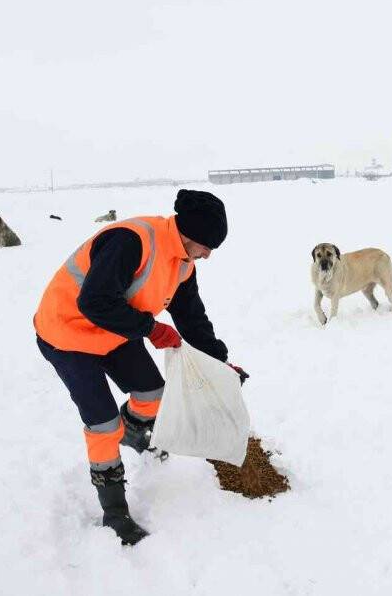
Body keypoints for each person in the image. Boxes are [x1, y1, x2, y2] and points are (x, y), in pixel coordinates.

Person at [34, 189, 247, 545]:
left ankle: (133, 432)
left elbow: (191, 318)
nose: (208, 255)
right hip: (67, 334)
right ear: (188, 234)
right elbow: (94, 301)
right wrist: (150, 328)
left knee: (153, 393)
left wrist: (220, 363)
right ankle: (114, 511)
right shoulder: (132, 241)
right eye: (206, 246)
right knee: (103, 425)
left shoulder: (183, 263)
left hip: (113, 332)